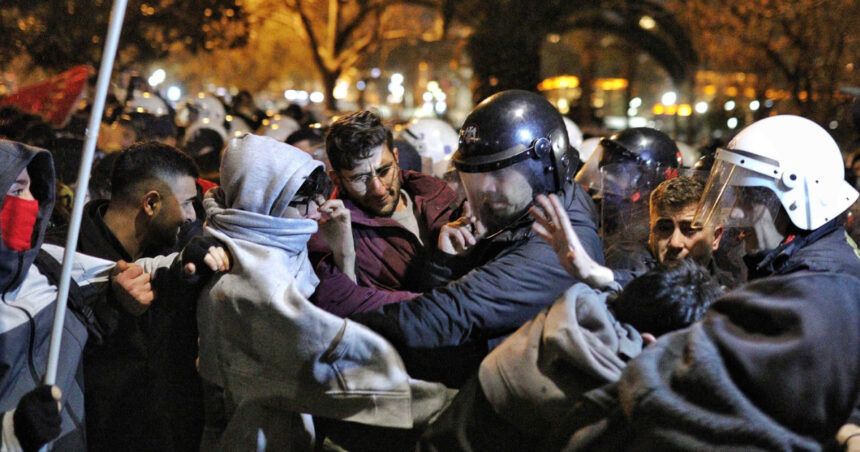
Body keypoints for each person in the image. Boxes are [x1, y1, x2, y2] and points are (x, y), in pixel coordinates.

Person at [551, 115, 860, 451]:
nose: (734, 215)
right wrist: (607, 278)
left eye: (749, 199)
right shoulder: (792, 265)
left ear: (798, 199)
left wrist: (666, 359)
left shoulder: (819, 283)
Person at [195, 134, 453, 451]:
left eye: (318, 194)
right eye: (303, 199)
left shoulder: (265, 245)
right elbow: (332, 366)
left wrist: (343, 251)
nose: (318, 208)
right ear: (266, 200)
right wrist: (439, 401)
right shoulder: (257, 281)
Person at [350, 90, 603, 386]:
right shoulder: (523, 214)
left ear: (545, 165)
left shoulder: (558, 245)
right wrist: (445, 262)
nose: (486, 189)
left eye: (499, 173)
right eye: (477, 176)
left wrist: (341, 336)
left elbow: (452, 312)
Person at [0, 140, 226, 451]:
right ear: (151, 203)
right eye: (187, 203)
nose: (191, 216)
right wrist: (111, 306)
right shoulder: (56, 263)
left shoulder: (178, 256)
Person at [309, 111, 461, 316]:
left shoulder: (435, 193)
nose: (378, 189)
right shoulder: (329, 231)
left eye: (384, 171)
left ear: (396, 158)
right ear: (337, 180)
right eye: (360, 178)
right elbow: (341, 305)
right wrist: (344, 256)